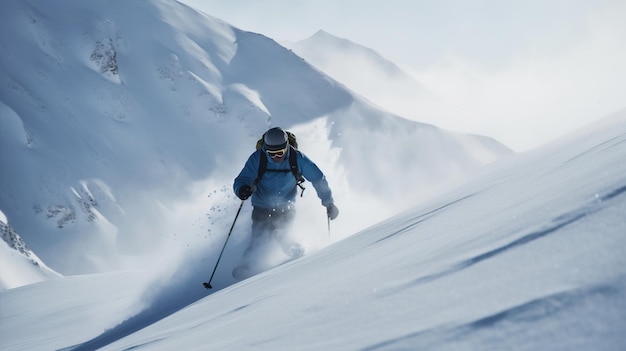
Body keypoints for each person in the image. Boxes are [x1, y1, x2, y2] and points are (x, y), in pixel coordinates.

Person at [232, 127, 339, 277]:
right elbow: (242, 179)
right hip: (261, 207)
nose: (277, 157)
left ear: (287, 147)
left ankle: (300, 258)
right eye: (272, 153)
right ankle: (247, 268)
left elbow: (317, 178)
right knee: (258, 238)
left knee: (283, 235)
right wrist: (242, 189)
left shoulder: (297, 158)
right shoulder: (258, 158)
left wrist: (329, 203)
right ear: (265, 150)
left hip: (286, 207)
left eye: (280, 153)